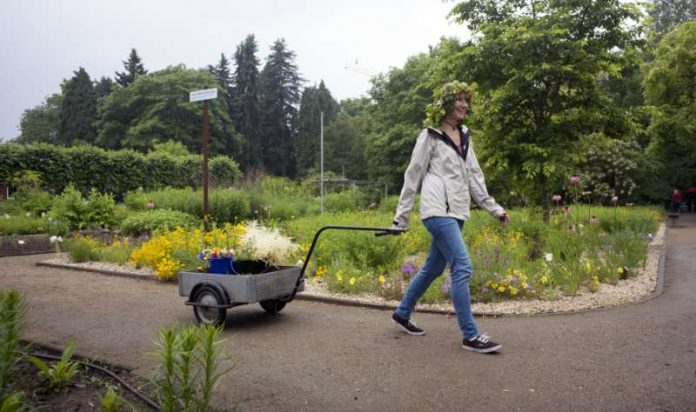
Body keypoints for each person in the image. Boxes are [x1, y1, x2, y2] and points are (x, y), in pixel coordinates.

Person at [390, 81, 509, 354]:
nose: (464, 105)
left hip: (457, 212)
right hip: (437, 210)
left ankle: (403, 312)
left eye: (466, 100)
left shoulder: (465, 136)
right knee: (463, 267)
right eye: (459, 99)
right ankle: (471, 335)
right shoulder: (430, 136)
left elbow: (475, 178)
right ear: (445, 104)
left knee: (433, 267)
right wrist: (401, 218)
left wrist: (494, 209)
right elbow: (413, 176)